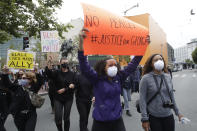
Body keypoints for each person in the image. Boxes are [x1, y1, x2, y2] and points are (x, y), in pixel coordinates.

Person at [78, 28, 143, 131]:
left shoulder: (119, 77)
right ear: (103, 67)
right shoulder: (96, 79)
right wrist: (81, 43)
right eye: (110, 65)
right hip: (100, 123)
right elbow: (84, 65)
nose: (113, 67)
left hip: (117, 121)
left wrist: (143, 47)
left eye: (115, 65)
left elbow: (133, 64)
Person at [139, 54, 183, 131]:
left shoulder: (168, 76)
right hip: (154, 117)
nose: (159, 61)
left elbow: (171, 96)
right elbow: (142, 99)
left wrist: (178, 113)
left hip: (168, 115)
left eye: (161, 59)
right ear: (151, 64)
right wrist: (144, 119)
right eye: (156, 60)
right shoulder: (145, 79)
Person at [45, 58, 76, 131]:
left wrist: (65, 89)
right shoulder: (56, 72)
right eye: (63, 63)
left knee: (66, 118)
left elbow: (74, 85)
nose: (65, 64)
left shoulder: (72, 74)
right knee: (58, 118)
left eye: (66, 62)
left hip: (68, 98)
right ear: (60, 63)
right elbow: (49, 74)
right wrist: (48, 65)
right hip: (58, 98)